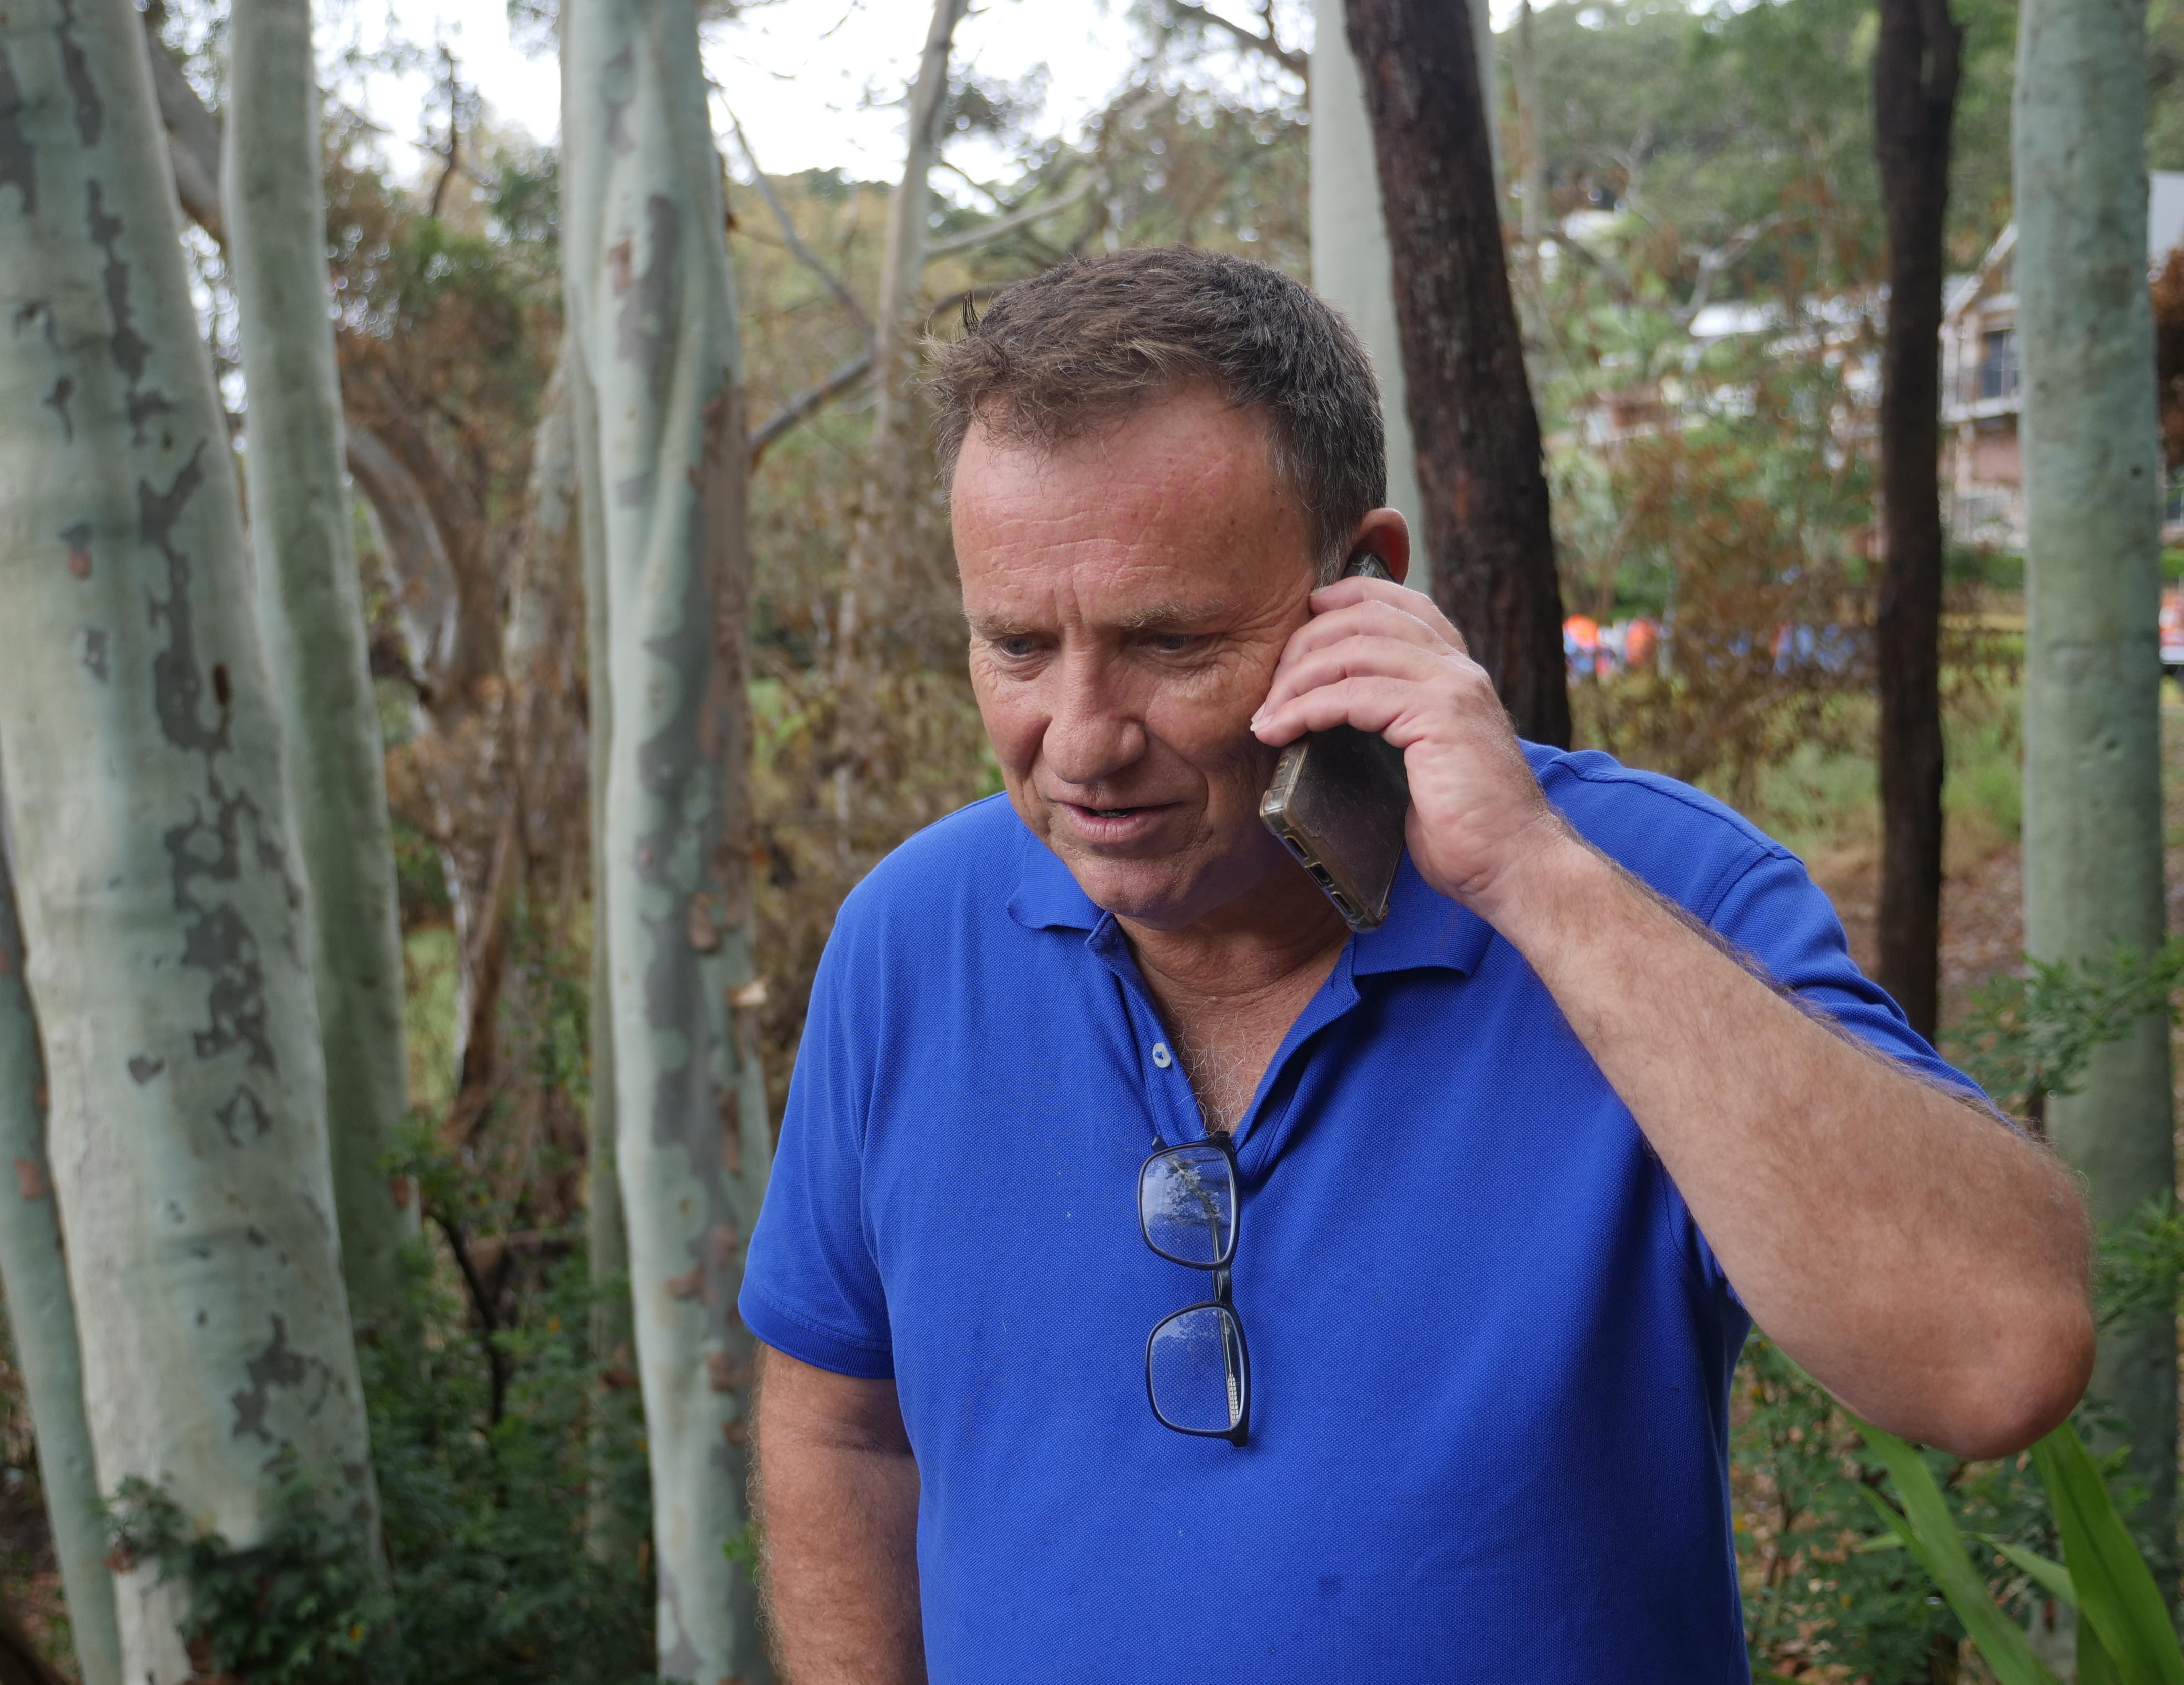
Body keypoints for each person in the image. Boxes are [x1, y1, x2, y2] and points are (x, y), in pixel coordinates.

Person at [740, 246, 2091, 1682]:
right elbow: (840, 1427)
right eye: (1016, 645)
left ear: (1364, 586)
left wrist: (1533, 883)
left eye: (1170, 642)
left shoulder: (1651, 892)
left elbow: (1998, 1358)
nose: (1081, 740)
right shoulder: (911, 936)